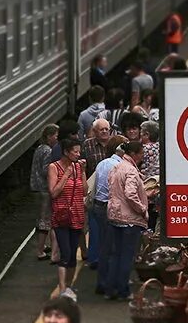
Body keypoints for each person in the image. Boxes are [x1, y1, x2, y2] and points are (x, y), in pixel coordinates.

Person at [101, 141, 155, 299]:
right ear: (136, 154)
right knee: (126, 256)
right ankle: (123, 290)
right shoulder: (131, 170)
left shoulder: (116, 167)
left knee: (116, 255)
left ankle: (110, 289)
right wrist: (142, 208)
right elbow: (130, 193)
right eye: (142, 153)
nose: (143, 155)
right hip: (129, 219)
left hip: (114, 215)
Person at [48, 137, 87, 297]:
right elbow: (54, 192)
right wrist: (66, 175)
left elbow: (84, 191)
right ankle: (62, 288)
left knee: (72, 255)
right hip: (62, 215)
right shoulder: (54, 167)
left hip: (77, 214)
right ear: (66, 152)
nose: (78, 154)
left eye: (79, 151)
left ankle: (69, 287)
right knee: (65, 252)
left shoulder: (78, 167)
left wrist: (83, 172)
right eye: (75, 151)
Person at [89, 135, 126, 288]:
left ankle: (102, 282)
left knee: (104, 246)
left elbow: (96, 185)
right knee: (115, 247)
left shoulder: (102, 163)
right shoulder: (120, 166)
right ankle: (111, 282)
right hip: (111, 208)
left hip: (98, 206)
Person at [30, 124, 59, 260]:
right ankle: (40, 251)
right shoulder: (48, 151)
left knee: (41, 219)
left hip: (35, 186)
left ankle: (43, 246)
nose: (57, 138)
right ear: (49, 136)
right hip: (43, 189)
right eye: (55, 136)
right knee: (45, 220)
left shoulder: (40, 149)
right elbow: (45, 170)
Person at [81, 118, 111, 188]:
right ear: (94, 131)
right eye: (101, 129)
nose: (104, 131)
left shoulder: (114, 142)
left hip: (112, 184)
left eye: (106, 129)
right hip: (93, 184)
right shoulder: (87, 144)